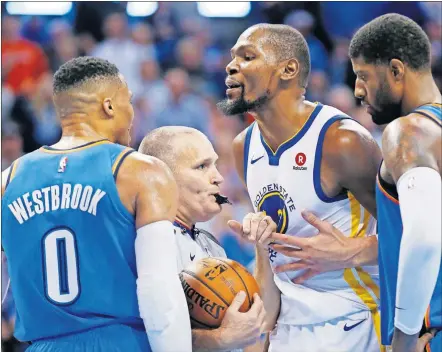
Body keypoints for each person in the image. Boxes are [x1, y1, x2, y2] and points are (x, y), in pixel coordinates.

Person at [1, 57, 191, 352]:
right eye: (128, 101)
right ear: (109, 106)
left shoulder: (7, 180)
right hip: (121, 343)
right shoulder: (139, 171)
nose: (133, 112)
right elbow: (159, 292)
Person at [219, 24, 383, 351]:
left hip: (354, 320)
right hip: (288, 328)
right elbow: (273, 257)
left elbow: (422, 233)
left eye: (247, 56)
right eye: (232, 57)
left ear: (288, 69)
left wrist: (357, 250)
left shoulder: (342, 141)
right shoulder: (243, 148)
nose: (231, 65)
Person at [349, 14, 441, 352]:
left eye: (363, 76)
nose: (358, 90)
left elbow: (425, 239)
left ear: (396, 70)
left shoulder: (409, 132)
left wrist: (404, 333)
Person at [138, 126, 266, 352]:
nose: (218, 177)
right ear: (163, 178)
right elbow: (148, 334)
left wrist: (264, 247)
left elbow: (251, 334)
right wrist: (219, 339)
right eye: (202, 166)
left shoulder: (210, 244)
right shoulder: (145, 244)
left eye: (215, 164)